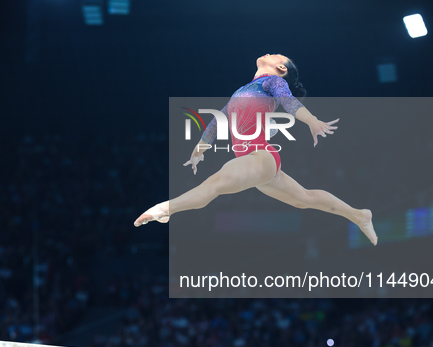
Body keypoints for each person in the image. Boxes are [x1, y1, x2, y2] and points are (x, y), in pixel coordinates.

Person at [133, 54, 377, 246]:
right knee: (305, 199)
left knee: (214, 183)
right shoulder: (244, 89)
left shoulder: (274, 82)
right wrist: (201, 147)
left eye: (276, 55)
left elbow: (289, 102)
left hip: (259, 154)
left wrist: (311, 120)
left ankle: (165, 209)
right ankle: (359, 215)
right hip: (258, 161)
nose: (270, 52)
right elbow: (220, 119)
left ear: (281, 69)